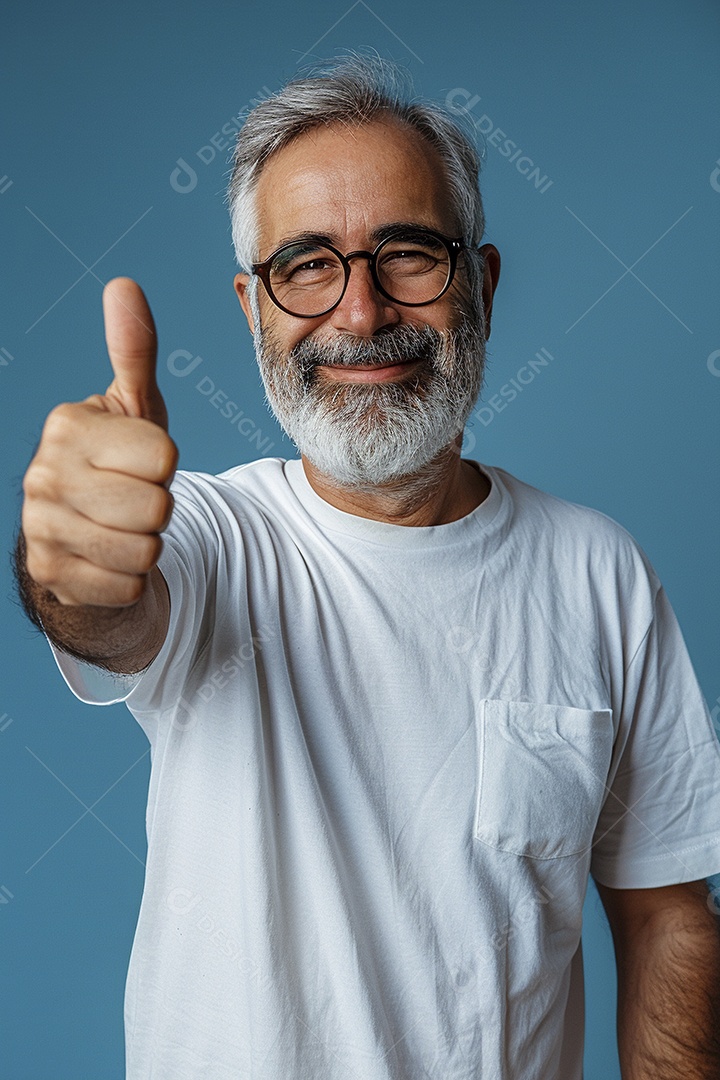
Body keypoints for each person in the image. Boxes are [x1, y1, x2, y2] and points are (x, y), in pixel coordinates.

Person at [14, 54, 720, 1079]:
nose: (360, 313)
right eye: (307, 265)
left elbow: (669, 921)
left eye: (406, 254)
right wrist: (74, 556)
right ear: (254, 308)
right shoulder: (213, 537)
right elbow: (108, 610)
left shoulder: (598, 570)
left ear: (477, 281)